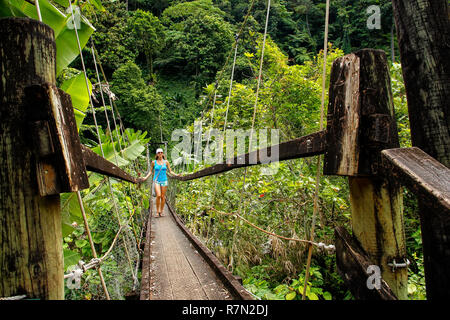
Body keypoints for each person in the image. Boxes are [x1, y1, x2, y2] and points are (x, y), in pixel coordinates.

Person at [139, 148, 179, 217]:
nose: (160, 153)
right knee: (158, 195)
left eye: (161, 152)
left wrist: (176, 175)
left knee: (163, 197)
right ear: (156, 154)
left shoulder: (166, 162)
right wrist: (145, 177)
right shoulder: (153, 162)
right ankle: (157, 211)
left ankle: (161, 211)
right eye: (158, 152)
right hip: (156, 180)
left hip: (164, 180)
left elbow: (170, 171)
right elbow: (151, 171)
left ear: (163, 154)